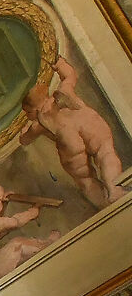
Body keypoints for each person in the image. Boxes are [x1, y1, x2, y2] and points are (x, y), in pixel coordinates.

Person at [21, 57, 125, 209]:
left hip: (68, 141)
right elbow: (70, 74)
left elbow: (25, 140)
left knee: (84, 179)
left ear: (35, 109)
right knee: (106, 153)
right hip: (86, 123)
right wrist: (60, 64)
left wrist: (24, 133)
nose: (27, 116)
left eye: (28, 112)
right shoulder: (63, 91)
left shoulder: (38, 124)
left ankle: (107, 207)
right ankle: (114, 190)